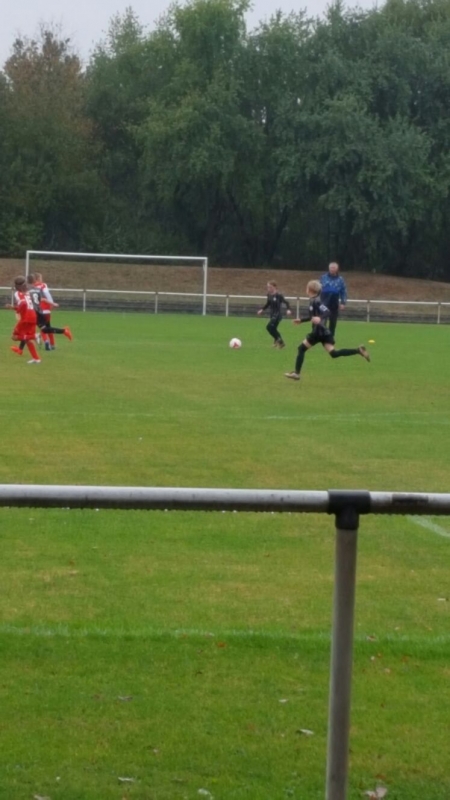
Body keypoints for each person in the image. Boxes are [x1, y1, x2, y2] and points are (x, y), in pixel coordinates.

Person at [285, 280, 370, 382]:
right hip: (323, 332)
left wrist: (320, 318)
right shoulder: (313, 300)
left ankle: (297, 373)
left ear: (310, 290)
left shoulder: (316, 301)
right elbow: (313, 316)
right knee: (334, 353)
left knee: (301, 349)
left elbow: (327, 312)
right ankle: (359, 350)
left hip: (318, 332)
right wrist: (301, 320)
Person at [27, 274, 72, 347]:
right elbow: (46, 296)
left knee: (43, 329)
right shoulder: (41, 286)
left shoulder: (29, 289)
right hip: (43, 310)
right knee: (47, 328)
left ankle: (47, 341)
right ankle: (52, 344)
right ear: (36, 279)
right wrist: (52, 303)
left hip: (36, 311)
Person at [5, 276, 41, 364]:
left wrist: (15, 309)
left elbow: (23, 304)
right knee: (27, 339)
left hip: (26, 318)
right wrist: (14, 308)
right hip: (33, 316)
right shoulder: (27, 293)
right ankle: (36, 359)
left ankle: (35, 336)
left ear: (17, 286)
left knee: (14, 336)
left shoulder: (18, 293)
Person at [257, 280, 292, 349]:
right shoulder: (269, 295)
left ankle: (280, 342)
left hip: (278, 315)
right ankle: (277, 341)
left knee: (269, 327)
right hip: (272, 315)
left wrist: (288, 309)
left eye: (270, 287)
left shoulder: (279, 295)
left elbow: (287, 302)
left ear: (275, 287)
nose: (268, 288)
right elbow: (268, 304)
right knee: (273, 329)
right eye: (268, 287)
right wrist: (262, 310)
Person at [320, 262, 347, 336]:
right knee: (322, 321)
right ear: (329, 268)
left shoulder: (340, 279)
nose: (332, 269)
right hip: (324, 303)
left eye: (334, 268)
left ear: (337, 269)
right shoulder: (323, 277)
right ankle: (322, 336)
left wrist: (343, 302)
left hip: (334, 304)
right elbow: (318, 289)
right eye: (331, 268)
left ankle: (330, 337)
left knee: (333, 322)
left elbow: (343, 291)